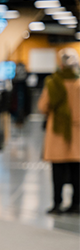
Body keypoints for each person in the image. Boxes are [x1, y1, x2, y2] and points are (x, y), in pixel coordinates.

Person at [38, 48, 80, 214]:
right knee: (77, 172)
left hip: (57, 134)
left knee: (57, 173)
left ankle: (57, 204)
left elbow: (42, 107)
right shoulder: (78, 83)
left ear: (61, 64)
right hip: (77, 134)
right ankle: (76, 204)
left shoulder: (53, 82)